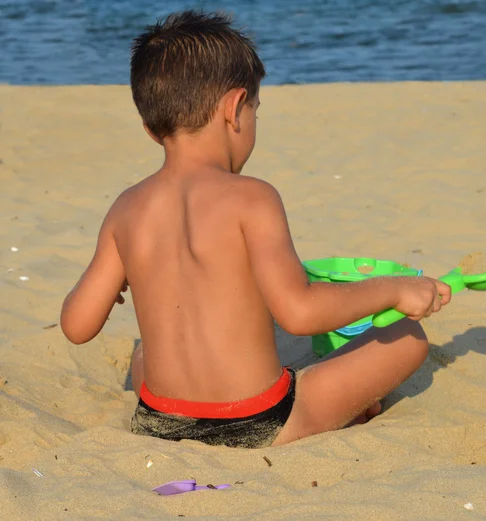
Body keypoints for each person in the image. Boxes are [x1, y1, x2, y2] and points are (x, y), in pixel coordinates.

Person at [60, 10, 451, 449]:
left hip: (161, 421)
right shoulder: (252, 197)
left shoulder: (126, 208)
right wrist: (394, 290)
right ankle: (340, 411)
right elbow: (300, 313)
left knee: (143, 353)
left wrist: (104, 289)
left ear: (151, 128)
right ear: (234, 109)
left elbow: (76, 326)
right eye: (255, 111)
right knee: (406, 339)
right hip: (259, 421)